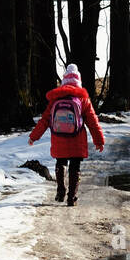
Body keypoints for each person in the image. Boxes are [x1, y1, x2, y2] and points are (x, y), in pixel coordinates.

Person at [28, 64, 105, 206]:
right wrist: (99, 140)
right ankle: (72, 197)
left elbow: (44, 120)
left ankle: (60, 190)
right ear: (78, 82)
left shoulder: (55, 99)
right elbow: (93, 122)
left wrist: (34, 136)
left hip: (59, 138)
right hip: (77, 139)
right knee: (75, 166)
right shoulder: (83, 99)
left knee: (61, 162)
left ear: (64, 81)